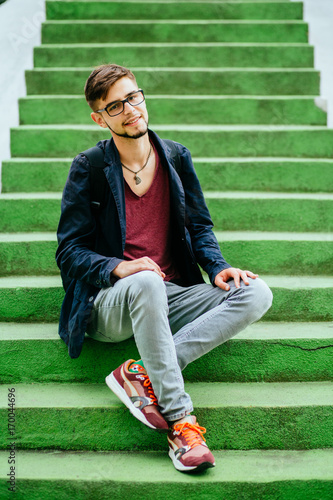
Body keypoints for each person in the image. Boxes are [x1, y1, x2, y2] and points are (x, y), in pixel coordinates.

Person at [56, 64, 273, 473]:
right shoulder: (89, 167)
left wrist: (218, 267)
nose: (129, 109)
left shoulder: (175, 156)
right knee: (145, 281)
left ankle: (140, 373)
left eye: (133, 97)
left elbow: (200, 226)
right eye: (114, 106)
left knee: (256, 292)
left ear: (142, 96)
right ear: (99, 118)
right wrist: (120, 268)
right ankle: (181, 423)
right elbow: (69, 252)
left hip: (171, 292)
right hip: (110, 304)